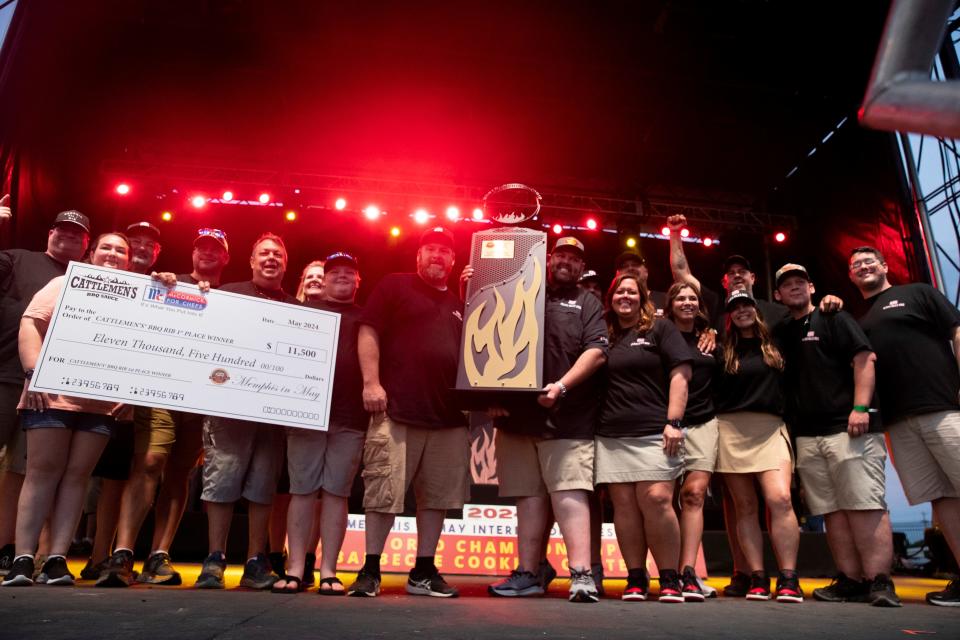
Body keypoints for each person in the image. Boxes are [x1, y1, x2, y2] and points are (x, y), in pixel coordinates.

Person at [96, 228, 228, 587]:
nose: (207, 253)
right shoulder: (171, 283)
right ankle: (123, 553)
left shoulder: (233, 298)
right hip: (161, 390)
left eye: (216, 249)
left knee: (180, 472)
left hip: (201, 397)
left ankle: (158, 555)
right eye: (201, 246)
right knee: (150, 461)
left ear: (226, 257)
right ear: (192, 252)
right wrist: (161, 283)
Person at [2, 232, 130, 586]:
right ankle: (23, 558)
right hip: (53, 395)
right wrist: (34, 374)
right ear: (92, 253)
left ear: (129, 259)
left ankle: (57, 558)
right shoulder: (65, 282)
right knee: (42, 472)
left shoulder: (138, 298)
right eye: (107, 247)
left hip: (101, 402)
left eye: (121, 250)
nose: (113, 253)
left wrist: (131, 392)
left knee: (77, 477)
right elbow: (31, 323)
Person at [346, 227, 469, 598]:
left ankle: (424, 570)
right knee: (382, 491)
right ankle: (370, 569)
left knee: (438, 498)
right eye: (430, 248)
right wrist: (371, 383)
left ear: (453, 260)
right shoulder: (395, 286)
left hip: (448, 416)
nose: (437, 255)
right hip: (397, 409)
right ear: (418, 256)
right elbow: (368, 331)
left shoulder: (465, 302)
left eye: (445, 251)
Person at [485, 236, 608, 603]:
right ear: (548, 258)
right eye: (561, 254)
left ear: (581, 267)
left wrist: (562, 387)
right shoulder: (521, 291)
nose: (567, 261)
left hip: (567, 416)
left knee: (569, 494)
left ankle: (582, 575)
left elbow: (597, 352)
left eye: (575, 258)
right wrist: (491, 392)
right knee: (529, 497)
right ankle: (528, 573)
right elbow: (490, 335)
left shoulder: (587, 302)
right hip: (517, 417)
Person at [772, 262, 899, 606]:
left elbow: (864, 359)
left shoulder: (834, 317)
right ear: (777, 295)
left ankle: (880, 581)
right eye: (788, 284)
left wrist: (860, 408)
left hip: (849, 427)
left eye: (801, 281)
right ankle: (850, 579)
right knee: (831, 510)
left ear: (812, 288)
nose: (795, 287)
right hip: (807, 435)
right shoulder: (782, 331)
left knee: (865, 504)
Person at [848, 246, 960, 607]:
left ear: (883, 265)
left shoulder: (918, 292)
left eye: (869, 261)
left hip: (943, 408)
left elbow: (957, 331)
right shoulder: (859, 320)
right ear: (851, 276)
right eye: (856, 265)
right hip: (898, 421)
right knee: (940, 498)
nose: (863, 267)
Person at [194, 233, 295, 590]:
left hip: (271, 413)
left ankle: (255, 560)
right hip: (228, 408)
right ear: (251, 261)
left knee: (262, 485)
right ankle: (215, 558)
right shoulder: (226, 295)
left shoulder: (296, 308)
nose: (270, 259)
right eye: (263, 253)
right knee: (222, 480)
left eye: (277, 254)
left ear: (285, 263)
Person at [0, 210, 91, 575]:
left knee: (24, 472)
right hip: (5, 373)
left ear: (88, 244)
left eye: (77, 233)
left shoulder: (87, 279)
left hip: (46, 391)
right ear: (50, 232)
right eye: (62, 230)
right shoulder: (18, 258)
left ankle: (7, 547)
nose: (68, 236)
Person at [271, 251, 367, 594]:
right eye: (334, 272)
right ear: (322, 280)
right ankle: (295, 568)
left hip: (351, 417)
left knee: (336, 493)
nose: (341, 275)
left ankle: (328, 570)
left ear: (359, 281)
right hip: (305, 416)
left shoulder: (366, 317)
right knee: (302, 490)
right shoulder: (300, 313)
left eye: (349, 271)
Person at [595, 273, 691, 602]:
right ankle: (635, 576)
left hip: (656, 431)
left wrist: (674, 421)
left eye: (632, 292)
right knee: (624, 507)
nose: (626, 296)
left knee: (658, 500)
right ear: (611, 298)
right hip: (612, 434)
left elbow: (681, 374)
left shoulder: (660, 328)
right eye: (619, 291)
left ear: (643, 297)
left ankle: (670, 577)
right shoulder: (601, 333)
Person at [83, 221, 166, 583]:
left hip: (141, 396)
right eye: (136, 241)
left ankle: (111, 554)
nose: (142, 247)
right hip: (93, 390)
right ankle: (64, 554)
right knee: (90, 476)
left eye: (150, 243)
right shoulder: (90, 279)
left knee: (131, 472)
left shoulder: (163, 284)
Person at [714, 289, 802, 603]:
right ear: (729, 315)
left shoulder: (777, 344)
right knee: (745, 507)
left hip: (769, 428)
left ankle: (789, 578)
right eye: (735, 307)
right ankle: (757, 576)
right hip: (731, 429)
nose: (741, 311)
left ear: (756, 309)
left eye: (746, 305)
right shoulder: (720, 349)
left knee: (780, 499)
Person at [663, 281, 721, 601]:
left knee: (694, 494)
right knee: (663, 500)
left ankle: (688, 572)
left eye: (692, 298)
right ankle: (666, 571)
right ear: (670, 304)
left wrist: (711, 329)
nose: (687, 302)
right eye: (680, 298)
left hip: (704, 422)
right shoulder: (659, 334)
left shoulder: (708, 337)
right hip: (665, 424)